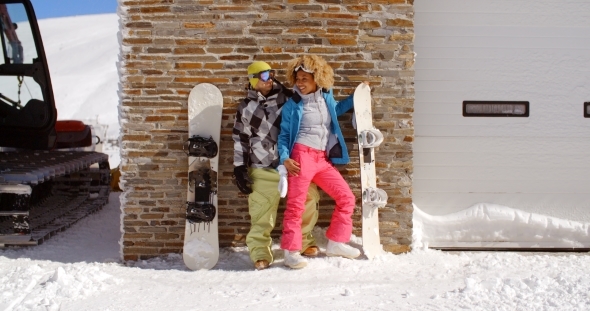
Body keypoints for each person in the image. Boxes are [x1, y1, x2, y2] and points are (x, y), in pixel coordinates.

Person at [232, 61, 321, 270]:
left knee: (309, 198)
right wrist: (239, 168)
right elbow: (240, 139)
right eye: (264, 76)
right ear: (254, 80)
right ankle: (260, 251)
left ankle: (304, 239)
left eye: (271, 74)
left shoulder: (289, 98)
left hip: (292, 163)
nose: (270, 78)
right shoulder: (246, 107)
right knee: (262, 210)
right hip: (262, 165)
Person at [278, 55, 364, 269]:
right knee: (296, 206)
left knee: (346, 198)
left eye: (305, 79)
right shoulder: (293, 105)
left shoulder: (326, 98)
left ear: (317, 78)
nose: (300, 83)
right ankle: (291, 251)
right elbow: (283, 135)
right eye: (297, 79)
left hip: (322, 159)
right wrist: (284, 158)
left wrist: (359, 95)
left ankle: (336, 242)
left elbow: (338, 109)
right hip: (301, 156)